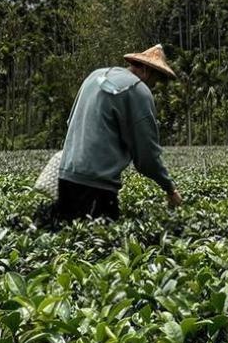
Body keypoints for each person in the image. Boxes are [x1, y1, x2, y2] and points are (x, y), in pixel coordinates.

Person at [52, 44, 184, 222]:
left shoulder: (95, 76)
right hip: (96, 184)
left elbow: (71, 123)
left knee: (70, 237)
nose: (154, 86)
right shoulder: (139, 90)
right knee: (100, 242)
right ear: (146, 70)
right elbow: (146, 156)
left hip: (65, 176)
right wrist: (170, 189)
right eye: (156, 79)